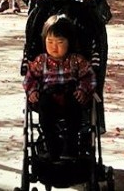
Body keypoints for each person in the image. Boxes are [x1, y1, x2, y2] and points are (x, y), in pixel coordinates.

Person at [24, 13, 96, 168]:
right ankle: (52, 147)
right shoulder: (40, 61)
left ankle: (70, 147)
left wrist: (83, 90)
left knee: (75, 112)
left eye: (60, 42)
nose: (54, 47)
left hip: (71, 97)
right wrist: (32, 91)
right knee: (45, 112)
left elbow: (88, 77)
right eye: (50, 42)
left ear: (69, 42)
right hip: (48, 98)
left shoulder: (76, 60)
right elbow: (30, 78)